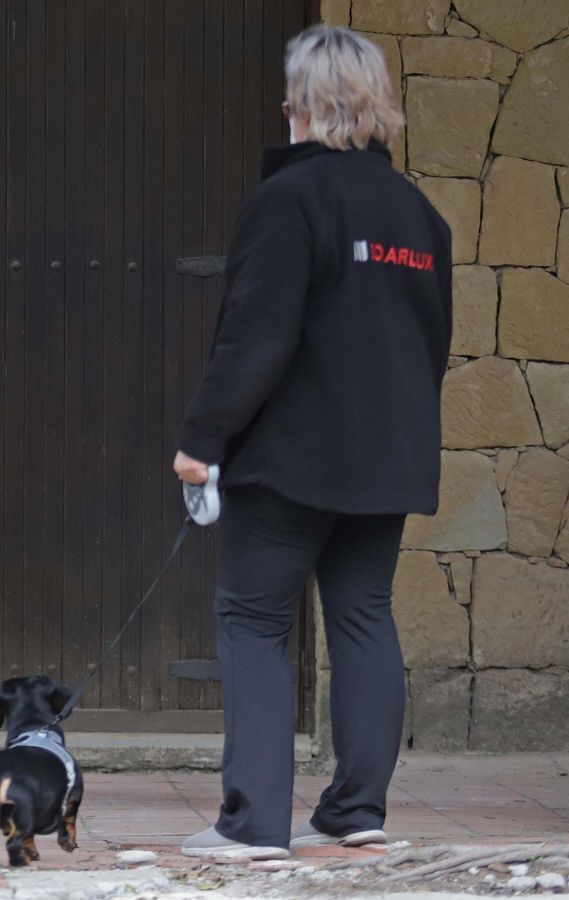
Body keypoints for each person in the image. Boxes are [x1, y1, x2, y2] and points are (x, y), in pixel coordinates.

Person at [173, 24, 452, 860]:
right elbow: (431, 345)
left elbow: (255, 337)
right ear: (375, 105)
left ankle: (253, 824)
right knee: (365, 616)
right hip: (390, 455)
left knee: (253, 623)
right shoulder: (420, 215)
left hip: (292, 457)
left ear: (300, 104)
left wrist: (202, 437)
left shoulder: (286, 201)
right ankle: (357, 811)